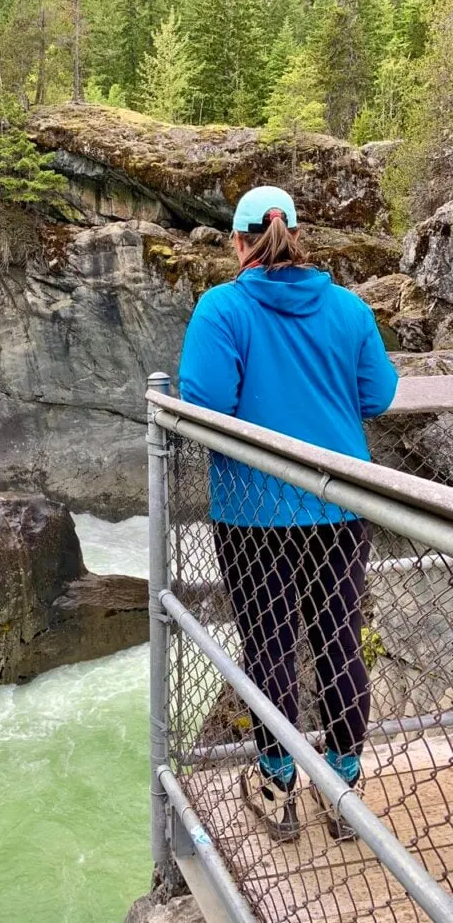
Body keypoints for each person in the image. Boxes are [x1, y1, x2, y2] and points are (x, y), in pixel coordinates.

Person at [178, 185, 398, 843]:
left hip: (253, 514)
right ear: (296, 234)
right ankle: (344, 789)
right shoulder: (348, 308)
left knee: (270, 648)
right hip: (338, 508)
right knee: (338, 643)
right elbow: (379, 395)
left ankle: (279, 787)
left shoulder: (223, 309)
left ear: (238, 242)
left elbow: (207, 401)